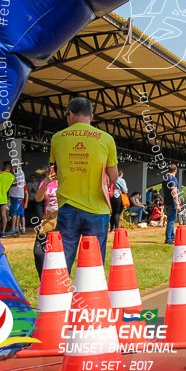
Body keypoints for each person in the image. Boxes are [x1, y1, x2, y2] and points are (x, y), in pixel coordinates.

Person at [50, 96, 119, 271]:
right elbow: (114, 176)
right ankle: (90, 296)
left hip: (67, 206)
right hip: (97, 209)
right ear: (92, 116)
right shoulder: (107, 139)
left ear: (70, 114)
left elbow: (55, 170)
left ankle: (59, 294)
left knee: (62, 262)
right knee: (93, 266)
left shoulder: (57, 138)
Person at [33, 165, 59, 278]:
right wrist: (45, 183)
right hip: (47, 220)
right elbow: (38, 199)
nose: (52, 170)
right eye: (51, 168)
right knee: (38, 252)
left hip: (62, 220)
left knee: (58, 254)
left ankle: (58, 280)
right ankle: (43, 281)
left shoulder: (67, 181)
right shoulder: (45, 182)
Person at [0, 162, 15, 238]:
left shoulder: (0, 174)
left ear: (5, 167)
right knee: (4, 215)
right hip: (4, 197)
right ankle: (3, 232)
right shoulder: (12, 177)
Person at [162, 164, 182, 243]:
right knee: (171, 220)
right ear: (175, 170)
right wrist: (177, 203)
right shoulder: (173, 179)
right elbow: (174, 191)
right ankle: (168, 238)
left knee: (170, 219)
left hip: (166, 201)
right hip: (172, 202)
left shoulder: (165, 179)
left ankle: (172, 236)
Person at [7, 163, 26, 235]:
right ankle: (16, 228)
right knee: (17, 213)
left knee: (13, 212)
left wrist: (9, 185)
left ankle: (13, 228)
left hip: (16, 195)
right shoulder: (20, 172)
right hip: (19, 195)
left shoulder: (17, 172)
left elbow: (17, 183)